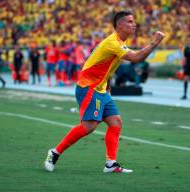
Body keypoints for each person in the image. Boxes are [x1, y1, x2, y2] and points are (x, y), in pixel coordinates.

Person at [44, 11, 165, 173]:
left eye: (133, 21)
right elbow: (136, 57)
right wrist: (155, 42)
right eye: (130, 21)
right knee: (89, 126)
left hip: (100, 89)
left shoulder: (118, 43)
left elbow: (105, 67)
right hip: (89, 88)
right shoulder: (113, 42)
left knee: (116, 122)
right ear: (120, 25)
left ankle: (110, 164)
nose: (134, 24)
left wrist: (107, 88)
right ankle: (55, 152)